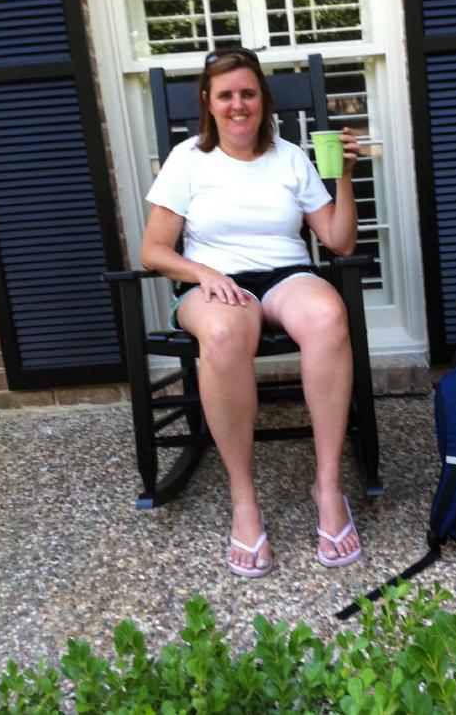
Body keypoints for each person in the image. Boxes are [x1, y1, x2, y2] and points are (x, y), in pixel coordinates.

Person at [140, 47, 362, 578]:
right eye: (226, 95)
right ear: (208, 102)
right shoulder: (187, 160)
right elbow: (153, 250)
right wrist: (203, 273)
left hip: (286, 276)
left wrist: (345, 177)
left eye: (247, 93)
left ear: (262, 99)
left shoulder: (291, 157)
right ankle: (243, 499)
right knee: (221, 333)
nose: (238, 104)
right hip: (214, 282)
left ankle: (328, 486)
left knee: (328, 316)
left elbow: (339, 242)